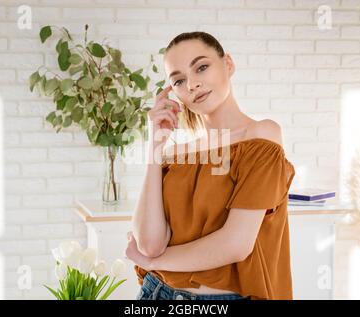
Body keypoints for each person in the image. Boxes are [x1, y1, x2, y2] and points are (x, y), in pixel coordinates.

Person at [126, 31, 296, 300]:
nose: (192, 84)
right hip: (157, 294)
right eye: (179, 80)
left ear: (228, 64)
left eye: (201, 67)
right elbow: (148, 244)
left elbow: (235, 244)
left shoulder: (261, 136)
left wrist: (154, 264)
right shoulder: (175, 154)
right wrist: (154, 145)